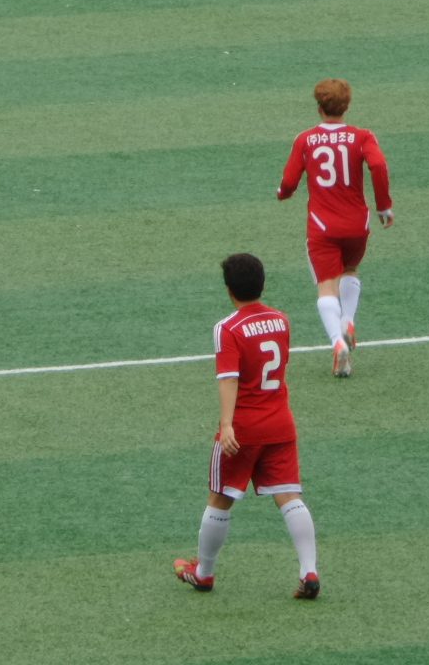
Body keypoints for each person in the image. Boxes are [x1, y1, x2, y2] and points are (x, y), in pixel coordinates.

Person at [174, 253, 320, 600]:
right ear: (263, 285)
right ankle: (309, 571)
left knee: (220, 498)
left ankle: (204, 573)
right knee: (289, 496)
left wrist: (227, 425)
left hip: (243, 429)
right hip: (280, 424)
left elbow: (229, 378)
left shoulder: (228, 328)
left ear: (228, 290)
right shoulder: (281, 320)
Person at [277, 79, 393, 379]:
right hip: (357, 225)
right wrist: (384, 205)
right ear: (347, 106)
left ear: (319, 108)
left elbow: (289, 181)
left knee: (326, 284)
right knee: (350, 269)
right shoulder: (362, 136)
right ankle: (348, 320)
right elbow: (378, 166)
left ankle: (337, 343)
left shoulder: (306, 139)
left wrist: (283, 193)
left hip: (323, 226)